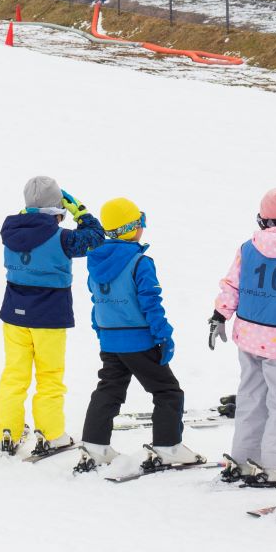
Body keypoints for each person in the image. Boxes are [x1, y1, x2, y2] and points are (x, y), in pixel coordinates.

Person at [76, 197, 201, 474]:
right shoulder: (139, 262)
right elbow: (150, 302)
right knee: (167, 391)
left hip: (110, 340)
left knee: (109, 389)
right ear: (132, 228)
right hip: (139, 340)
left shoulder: (95, 262)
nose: (143, 227)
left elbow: (97, 300)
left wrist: (100, 331)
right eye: (140, 222)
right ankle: (168, 447)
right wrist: (163, 335)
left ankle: (95, 446)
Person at [207, 186, 276, 486]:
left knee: (251, 396)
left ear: (263, 219)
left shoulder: (247, 249)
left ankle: (242, 457)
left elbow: (232, 285)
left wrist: (219, 315)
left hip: (250, 335)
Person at [0, 177, 105, 456]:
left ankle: (8, 431)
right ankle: (51, 433)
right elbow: (96, 238)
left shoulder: (10, 231)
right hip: (49, 316)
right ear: (58, 208)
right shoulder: (63, 238)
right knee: (49, 377)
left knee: (14, 375)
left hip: (14, 314)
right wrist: (80, 210)